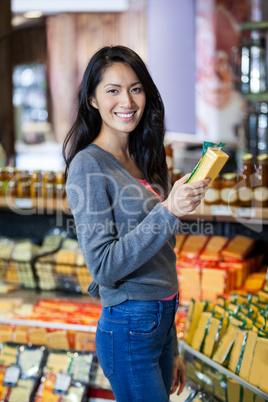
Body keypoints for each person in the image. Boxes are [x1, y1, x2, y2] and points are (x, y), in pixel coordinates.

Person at [63, 45, 210, 402]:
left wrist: (171, 347)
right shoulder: (88, 166)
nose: (126, 101)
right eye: (112, 90)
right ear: (93, 100)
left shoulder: (145, 156)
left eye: (135, 88)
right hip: (128, 325)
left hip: (159, 321)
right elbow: (104, 266)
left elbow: (162, 260)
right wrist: (168, 211)